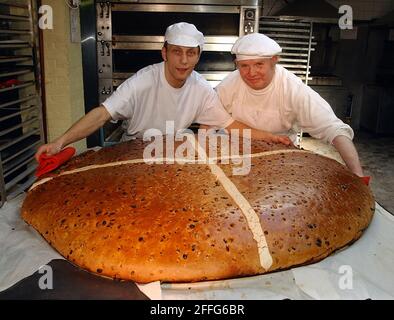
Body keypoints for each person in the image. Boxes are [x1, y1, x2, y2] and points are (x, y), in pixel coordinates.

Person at [35, 23, 290, 161]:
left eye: (190, 53)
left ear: (198, 57)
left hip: (176, 155)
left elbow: (231, 125)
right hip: (135, 153)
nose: (183, 60)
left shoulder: (201, 89)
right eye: (177, 52)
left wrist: (271, 137)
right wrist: (60, 142)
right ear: (164, 53)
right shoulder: (143, 81)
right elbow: (102, 115)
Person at [215, 33, 364, 176]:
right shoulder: (229, 85)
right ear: (237, 64)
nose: (251, 73)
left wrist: (357, 173)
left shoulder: (292, 88)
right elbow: (209, 119)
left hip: (280, 155)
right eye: (244, 66)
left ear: (274, 60)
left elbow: (334, 128)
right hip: (234, 152)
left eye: (259, 64)